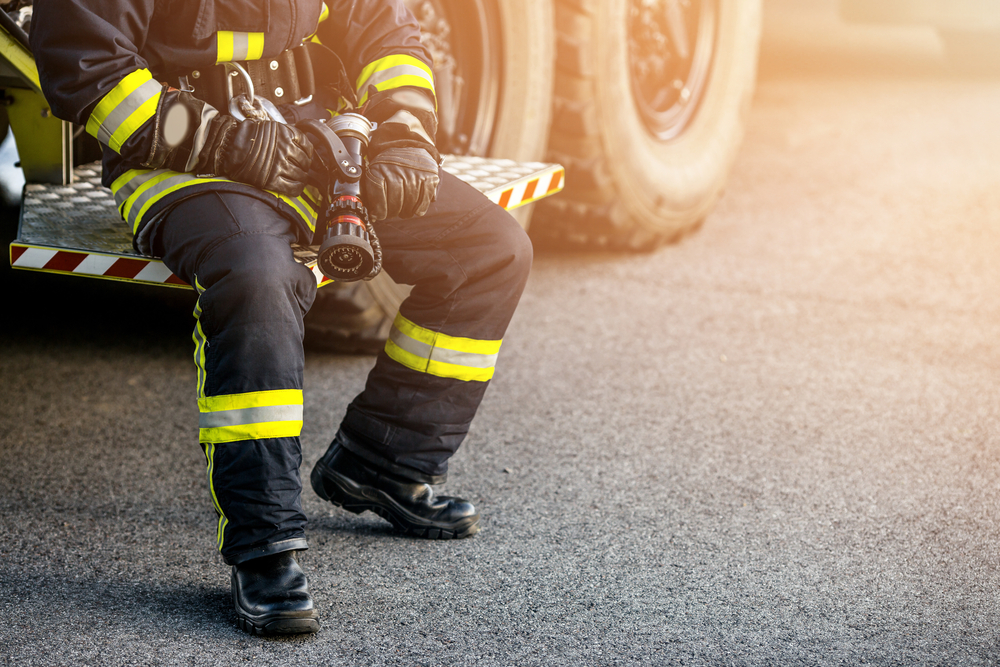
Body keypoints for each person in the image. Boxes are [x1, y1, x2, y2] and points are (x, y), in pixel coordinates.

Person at [30, 0, 532, 636]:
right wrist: (226, 142)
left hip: (311, 136)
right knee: (260, 277)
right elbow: (86, 65)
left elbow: (387, 30)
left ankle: (384, 462)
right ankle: (264, 546)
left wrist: (403, 136)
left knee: (490, 250)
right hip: (181, 157)